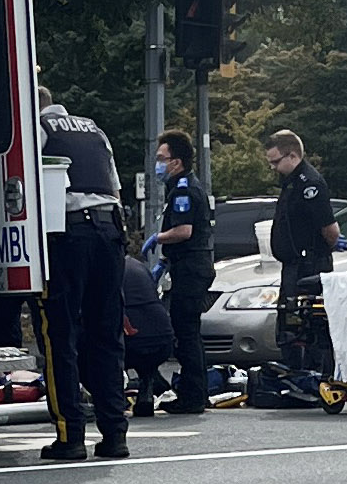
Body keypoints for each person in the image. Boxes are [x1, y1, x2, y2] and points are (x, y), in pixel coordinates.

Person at [34, 87, 131, 461]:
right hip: (110, 233)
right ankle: (114, 435)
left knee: (59, 334)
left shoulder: (39, 128)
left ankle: (70, 436)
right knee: (106, 335)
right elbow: (115, 187)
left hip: (68, 233)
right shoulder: (93, 129)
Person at [264, 127, 341, 391]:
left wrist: (317, 253)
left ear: (292, 156)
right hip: (294, 264)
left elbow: (330, 230)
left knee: (309, 321)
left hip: (309, 264)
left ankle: (313, 376)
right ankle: (296, 374)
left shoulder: (310, 184)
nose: (273, 167)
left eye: (276, 161)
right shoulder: (291, 183)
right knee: (290, 320)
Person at [152, 129, 215, 414]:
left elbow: (184, 231)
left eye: (162, 158)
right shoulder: (183, 185)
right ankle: (197, 393)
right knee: (190, 332)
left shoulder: (183, 190)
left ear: (176, 162)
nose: (158, 163)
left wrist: (158, 239)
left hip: (191, 268)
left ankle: (192, 396)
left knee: (186, 333)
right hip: (188, 265)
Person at [121, 246, 176, 417]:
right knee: (146, 360)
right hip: (162, 339)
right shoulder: (138, 266)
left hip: (130, 340)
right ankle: (147, 387)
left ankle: (113, 398)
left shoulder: (104, 269)